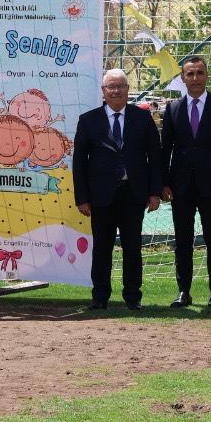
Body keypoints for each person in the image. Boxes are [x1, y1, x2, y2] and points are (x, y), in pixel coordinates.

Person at [72, 68, 163, 310]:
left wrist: (154, 192)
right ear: (103, 91)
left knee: (132, 248)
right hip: (101, 196)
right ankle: (100, 297)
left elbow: (155, 157)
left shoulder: (143, 118)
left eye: (120, 86)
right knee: (102, 248)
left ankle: (133, 297)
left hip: (133, 194)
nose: (116, 91)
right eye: (111, 87)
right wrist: (82, 197)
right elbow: (79, 163)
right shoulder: (88, 120)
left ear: (128, 89)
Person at [161, 56, 211, 308]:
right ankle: (183, 292)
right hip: (180, 187)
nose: (195, 78)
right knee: (183, 242)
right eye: (190, 74)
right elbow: (165, 150)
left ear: (206, 76)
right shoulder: (172, 109)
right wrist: (164, 183)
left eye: (199, 73)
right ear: (183, 78)